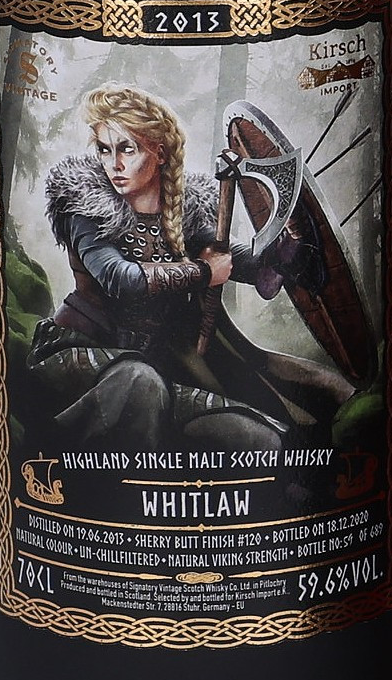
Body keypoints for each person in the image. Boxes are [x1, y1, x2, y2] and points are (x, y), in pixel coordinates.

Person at [26, 85, 348, 451]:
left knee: (261, 439)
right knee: (139, 384)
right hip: (87, 359)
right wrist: (204, 272)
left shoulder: (185, 212)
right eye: (104, 149)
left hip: (163, 370)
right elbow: (118, 277)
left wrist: (287, 243)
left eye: (127, 149)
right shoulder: (85, 205)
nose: (113, 163)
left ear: (160, 152)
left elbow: (247, 267)